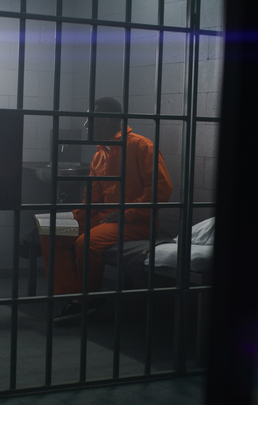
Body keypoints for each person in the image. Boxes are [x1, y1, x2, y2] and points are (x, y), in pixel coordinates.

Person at [40, 97, 173, 318]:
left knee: (87, 242)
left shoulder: (141, 146)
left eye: (88, 119)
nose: (85, 125)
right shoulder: (100, 154)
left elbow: (161, 189)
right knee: (52, 232)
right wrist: (73, 217)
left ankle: (87, 300)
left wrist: (127, 214)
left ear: (102, 120)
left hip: (136, 222)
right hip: (105, 218)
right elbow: (92, 197)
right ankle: (72, 295)